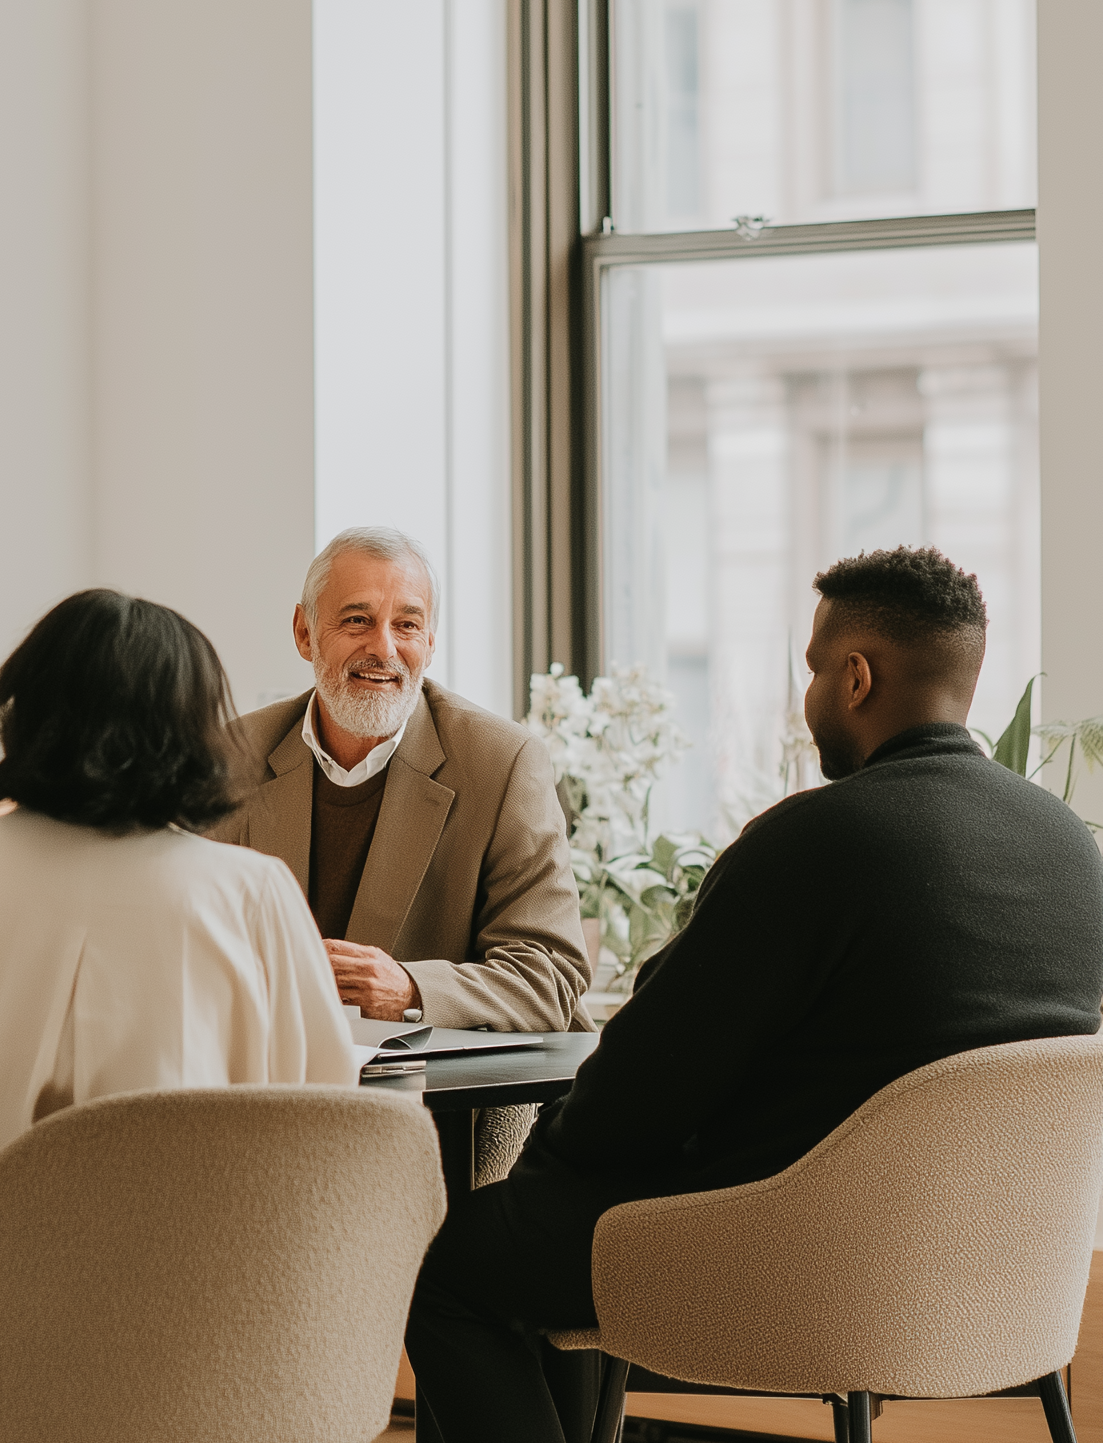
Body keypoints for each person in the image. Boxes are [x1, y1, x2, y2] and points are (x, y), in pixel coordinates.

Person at [405, 546, 1103, 1443]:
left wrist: (551, 1161)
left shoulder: (819, 843)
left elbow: (639, 1093)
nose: (804, 698)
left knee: (457, 1266)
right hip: (1000, 1278)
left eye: (813, 671)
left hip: (797, 1261)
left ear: (856, 677)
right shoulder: (1070, 849)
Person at [0, 589, 357, 1243]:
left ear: (25, 711)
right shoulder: (248, 890)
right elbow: (321, 1093)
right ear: (194, 730)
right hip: (206, 1292)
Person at [213, 526, 591, 1034]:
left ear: (431, 642)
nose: (384, 648)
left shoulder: (502, 763)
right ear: (305, 633)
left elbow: (551, 975)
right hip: (264, 1079)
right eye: (357, 620)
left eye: (408, 625)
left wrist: (411, 991)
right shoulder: (230, 756)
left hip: (430, 1095)